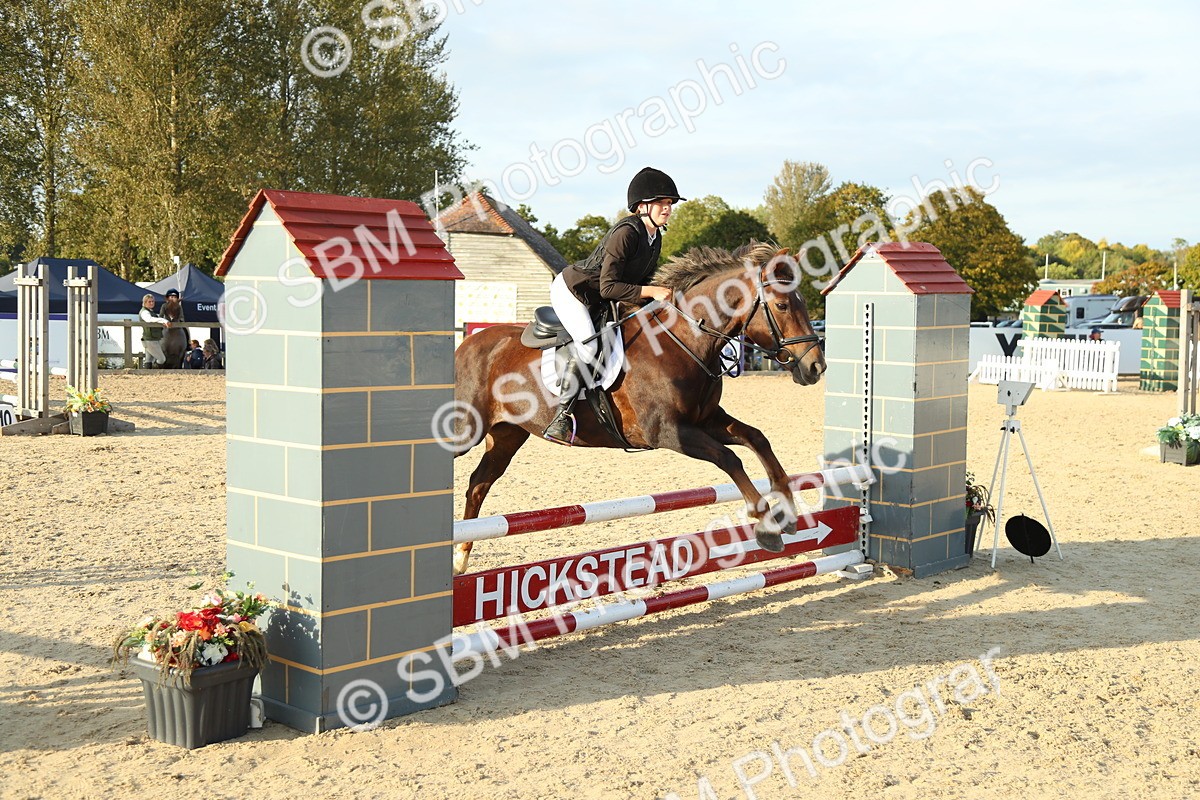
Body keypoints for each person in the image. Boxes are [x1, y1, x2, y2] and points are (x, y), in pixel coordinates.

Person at [542, 167, 684, 445]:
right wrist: (652, 291)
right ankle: (561, 416)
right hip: (574, 291)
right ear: (642, 207)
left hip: (603, 297)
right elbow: (609, 286)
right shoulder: (627, 234)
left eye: (669, 204)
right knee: (590, 345)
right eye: (662, 203)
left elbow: (637, 282)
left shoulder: (654, 237)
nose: (667, 209)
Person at [139, 294, 169, 368]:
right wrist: (163, 320)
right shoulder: (144, 312)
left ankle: (147, 375)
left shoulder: (150, 311)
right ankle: (156, 371)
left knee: (149, 360)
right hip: (150, 339)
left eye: (153, 301)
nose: (152, 303)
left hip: (152, 338)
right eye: (149, 301)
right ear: (145, 302)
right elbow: (149, 319)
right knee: (162, 359)